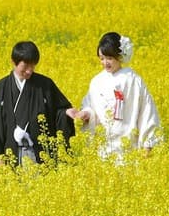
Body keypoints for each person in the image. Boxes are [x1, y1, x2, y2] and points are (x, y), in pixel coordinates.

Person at [0, 40, 76, 167]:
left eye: (33, 66)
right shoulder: (1, 88)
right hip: (10, 154)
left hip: (40, 154)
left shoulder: (45, 85)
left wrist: (65, 112)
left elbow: (58, 110)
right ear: (13, 62)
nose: (29, 71)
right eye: (25, 66)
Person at [67, 32, 161, 160]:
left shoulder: (133, 80)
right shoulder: (97, 81)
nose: (105, 63)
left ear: (120, 55)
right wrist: (86, 114)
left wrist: (148, 146)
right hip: (103, 149)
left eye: (109, 58)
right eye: (102, 58)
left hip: (129, 150)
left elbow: (147, 113)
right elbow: (91, 107)